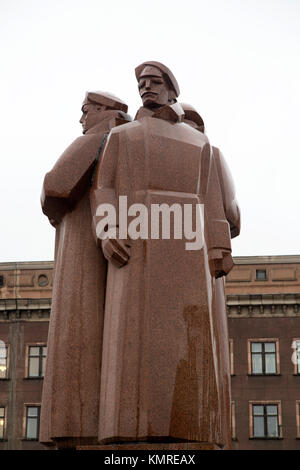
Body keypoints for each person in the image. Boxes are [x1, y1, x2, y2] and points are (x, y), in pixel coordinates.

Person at [91, 62, 240, 448]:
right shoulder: (122, 136)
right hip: (135, 246)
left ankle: (187, 428)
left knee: (189, 338)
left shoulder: (199, 143)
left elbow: (211, 199)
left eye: (155, 82)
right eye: (141, 83)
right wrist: (108, 231)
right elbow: (103, 189)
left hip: (188, 250)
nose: (146, 88)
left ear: (173, 91)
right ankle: (130, 430)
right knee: (131, 340)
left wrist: (220, 245)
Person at [39, 91, 131, 449]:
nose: (81, 119)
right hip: (112, 246)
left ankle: (75, 423)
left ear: (105, 112)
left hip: (82, 247)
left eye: (86, 111)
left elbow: (56, 186)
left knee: (78, 328)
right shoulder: (129, 141)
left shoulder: (99, 136)